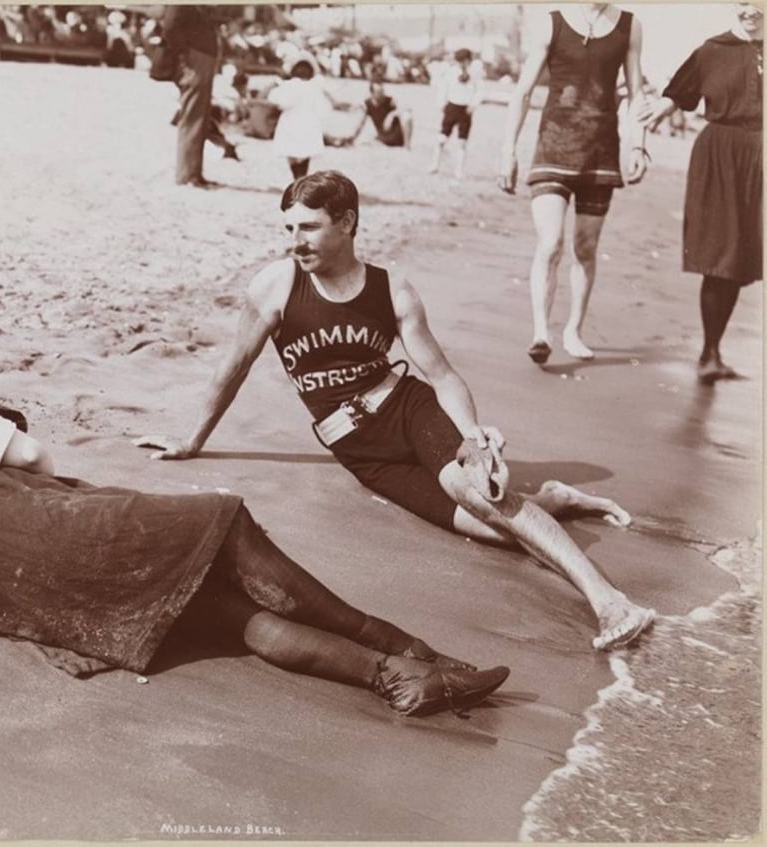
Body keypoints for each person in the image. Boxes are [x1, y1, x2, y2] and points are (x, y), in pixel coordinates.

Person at [0, 265, 510, 719]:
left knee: (215, 607)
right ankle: (406, 648)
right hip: (0, 516)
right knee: (223, 524)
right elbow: (32, 455)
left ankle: (393, 675)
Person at [135, 171, 655, 652]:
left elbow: (442, 374)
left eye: (310, 228)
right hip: (360, 451)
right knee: (486, 526)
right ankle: (552, 500)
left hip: (408, 409)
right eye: (289, 227)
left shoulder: (392, 290)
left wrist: (471, 434)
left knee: (470, 490)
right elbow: (233, 367)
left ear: (348, 223)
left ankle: (608, 600)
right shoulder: (275, 285)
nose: (295, 241)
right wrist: (191, 440)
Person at [499, 4, 650, 364]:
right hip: (553, 146)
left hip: (601, 152)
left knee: (585, 247)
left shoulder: (630, 26)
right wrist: (508, 151)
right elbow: (522, 92)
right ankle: (540, 331)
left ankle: (574, 330)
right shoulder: (551, 23)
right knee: (550, 241)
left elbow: (636, 92)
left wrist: (639, 144)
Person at [637, 4, 762, 384]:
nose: (749, 11)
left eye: (755, 2)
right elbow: (679, 92)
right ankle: (710, 352)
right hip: (720, 156)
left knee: (744, 262)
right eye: (741, 3)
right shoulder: (712, 49)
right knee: (722, 256)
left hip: (761, 155)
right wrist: (657, 110)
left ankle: (713, 351)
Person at [161, 4, 219, 188]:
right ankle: (186, 175)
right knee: (193, 117)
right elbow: (170, 27)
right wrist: (185, 54)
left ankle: (194, 173)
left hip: (200, 58)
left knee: (200, 117)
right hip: (194, 60)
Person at [267, 54, 346, 180]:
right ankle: (301, 176)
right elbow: (323, 107)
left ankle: (296, 177)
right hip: (309, 122)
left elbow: (276, 100)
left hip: (290, 121)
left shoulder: (289, 85)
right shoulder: (314, 87)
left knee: (291, 152)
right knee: (304, 152)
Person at [429, 49, 480, 177]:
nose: (463, 64)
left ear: (469, 61)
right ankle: (434, 165)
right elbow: (443, 88)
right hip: (452, 107)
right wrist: (441, 104)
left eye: (466, 61)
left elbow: (480, 90)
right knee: (442, 138)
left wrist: (473, 105)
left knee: (462, 142)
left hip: (465, 109)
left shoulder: (475, 74)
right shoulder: (451, 73)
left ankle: (459, 170)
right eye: (460, 62)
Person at [364, 81, 413, 149]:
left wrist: (391, 115)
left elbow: (407, 109)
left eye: (382, 91)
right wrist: (352, 138)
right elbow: (360, 123)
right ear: (372, 93)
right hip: (383, 138)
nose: (382, 94)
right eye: (379, 92)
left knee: (407, 116)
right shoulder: (367, 104)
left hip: (396, 137)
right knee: (367, 140)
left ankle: (407, 146)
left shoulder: (390, 101)